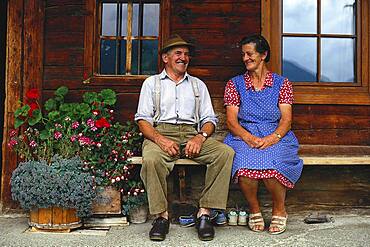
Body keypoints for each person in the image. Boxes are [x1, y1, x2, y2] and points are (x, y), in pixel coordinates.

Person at [135, 34, 234, 241]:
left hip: (191, 134)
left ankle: (204, 213)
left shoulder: (198, 85)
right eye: (178, 53)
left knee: (225, 153)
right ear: (165, 58)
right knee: (152, 159)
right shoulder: (152, 84)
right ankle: (161, 217)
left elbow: (209, 119)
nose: (183, 58)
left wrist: (200, 137)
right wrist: (161, 140)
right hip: (160, 133)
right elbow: (143, 121)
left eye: (186, 54)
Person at [223, 34, 303, 235]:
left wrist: (272, 138)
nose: (245, 58)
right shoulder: (235, 84)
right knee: (242, 162)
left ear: (263, 55)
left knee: (273, 161)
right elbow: (232, 122)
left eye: (249, 54)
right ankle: (254, 209)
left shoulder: (281, 84)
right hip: (243, 134)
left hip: (276, 134)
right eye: (243, 55)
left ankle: (279, 210)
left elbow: (286, 120)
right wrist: (249, 138)